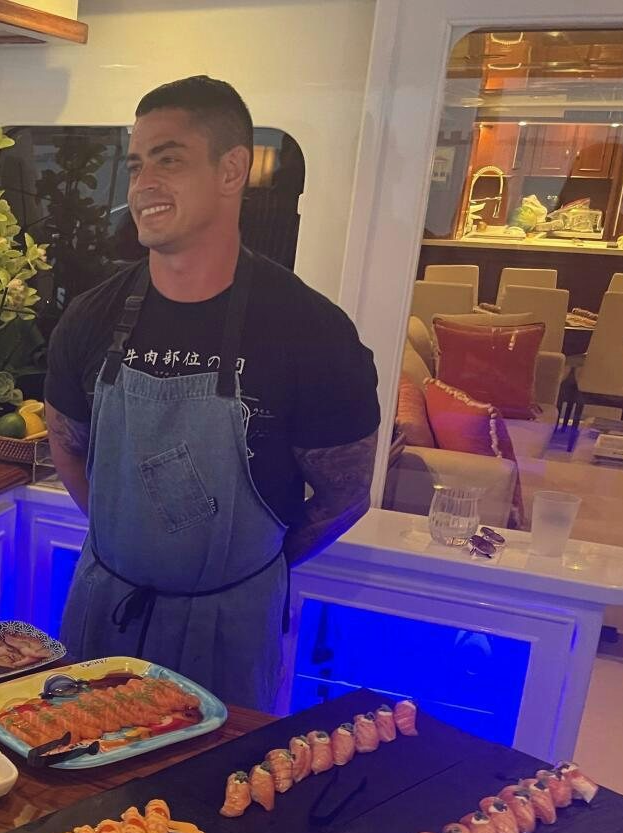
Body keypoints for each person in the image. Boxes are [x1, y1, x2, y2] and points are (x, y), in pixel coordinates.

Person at [44, 76, 379, 711]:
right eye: (137, 165)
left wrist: (243, 570)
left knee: (220, 801)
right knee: (82, 794)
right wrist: (135, 547)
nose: (143, 185)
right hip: (103, 614)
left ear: (233, 170)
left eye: (168, 160)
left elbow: (345, 494)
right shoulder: (90, 318)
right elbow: (67, 444)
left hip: (233, 627)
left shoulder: (312, 331)